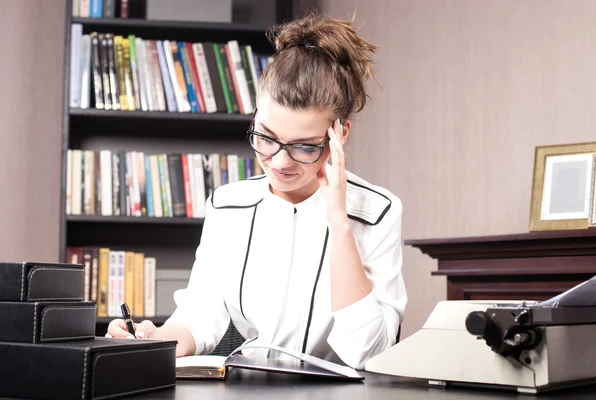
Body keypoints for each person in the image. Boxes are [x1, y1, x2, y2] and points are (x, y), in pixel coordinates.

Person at [107, 11, 407, 370]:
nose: (279, 162)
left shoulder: (378, 212)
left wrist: (339, 223)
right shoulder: (227, 204)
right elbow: (202, 313)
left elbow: (368, 352)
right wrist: (156, 341)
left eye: (304, 146)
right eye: (266, 137)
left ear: (339, 134)